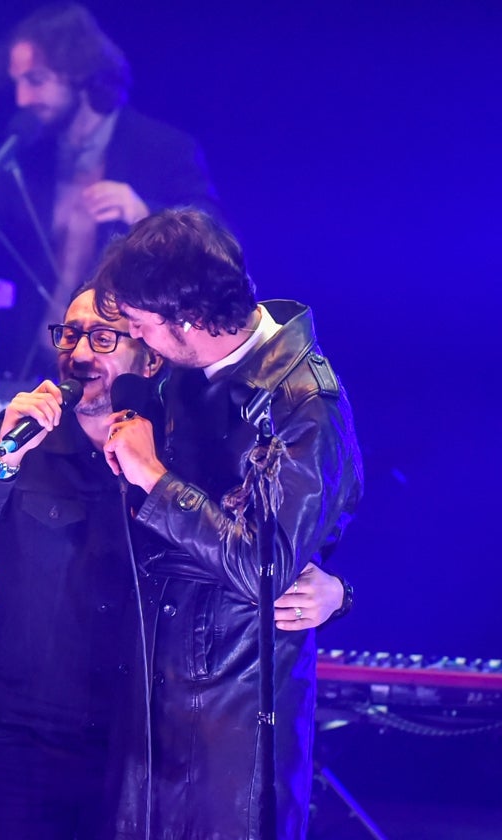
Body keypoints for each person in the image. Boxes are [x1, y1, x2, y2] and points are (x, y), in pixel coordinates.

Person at [0, 285, 346, 839]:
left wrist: (338, 593)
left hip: (146, 741)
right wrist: (0, 462)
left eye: (102, 336)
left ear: (149, 354)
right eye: (69, 334)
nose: (79, 352)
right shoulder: (17, 437)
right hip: (31, 737)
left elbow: (257, 547)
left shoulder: (185, 447)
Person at [98, 208, 363, 839]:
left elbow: (266, 565)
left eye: (140, 326)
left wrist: (153, 478)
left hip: (239, 689)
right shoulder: (191, 372)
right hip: (156, 671)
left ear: (188, 319)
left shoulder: (302, 402)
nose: (138, 341)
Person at [0, 2, 219, 375]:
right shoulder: (31, 161)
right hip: (39, 366)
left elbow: (218, 243)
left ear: (80, 74)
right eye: (17, 83)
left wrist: (143, 211)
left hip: (131, 370)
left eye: (36, 80)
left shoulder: (159, 148)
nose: (22, 99)